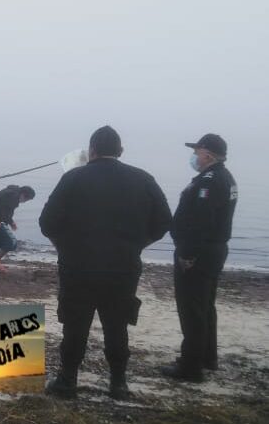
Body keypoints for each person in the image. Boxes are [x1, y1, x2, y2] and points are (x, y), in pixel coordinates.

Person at [39, 126, 171, 400]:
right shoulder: (143, 179)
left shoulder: (73, 178)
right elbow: (163, 222)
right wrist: (138, 245)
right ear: (120, 151)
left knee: (75, 326)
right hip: (123, 268)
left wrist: (64, 246)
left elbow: (47, 223)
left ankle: (67, 380)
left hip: (78, 268)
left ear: (92, 151)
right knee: (117, 326)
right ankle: (118, 383)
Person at [162, 134, 237, 382]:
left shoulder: (210, 181)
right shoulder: (224, 177)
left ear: (208, 154)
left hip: (200, 253)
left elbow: (201, 222)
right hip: (213, 250)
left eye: (197, 152)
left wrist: (188, 254)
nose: (194, 156)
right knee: (205, 306)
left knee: (192, 309)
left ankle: (191, 366)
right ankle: (207, 356)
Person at [0, 185, 35, 273]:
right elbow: (2, 208)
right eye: (26, 199)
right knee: (9, 243)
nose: (25, 202)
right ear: (23, 195)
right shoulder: (13, 196)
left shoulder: (11, 194)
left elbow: (7, 210)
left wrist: (11, 222)